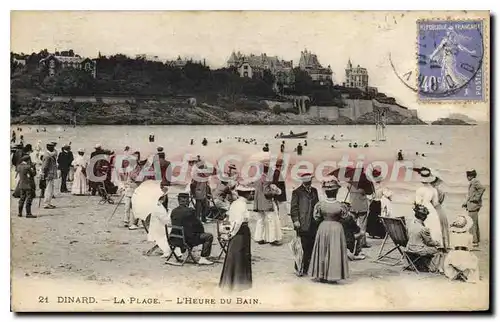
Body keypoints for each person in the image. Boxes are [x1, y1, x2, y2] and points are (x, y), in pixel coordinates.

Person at [309, 180, 349, 283]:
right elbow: (345, 218)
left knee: (323, 250)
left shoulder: (320, 205)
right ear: (336, 192)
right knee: (335, 250)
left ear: (326, 192)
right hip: (336, 228)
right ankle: (333, 275)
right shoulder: (341, 205)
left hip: (324, 227)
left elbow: (316, 218)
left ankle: (321, 274)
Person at [219, 184, 254, 291]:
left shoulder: (235, 203)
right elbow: (238, 222)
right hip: (240, 232)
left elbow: (228, 218)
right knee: (239, 256)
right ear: (246, 194)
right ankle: (238, 283)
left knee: (234, 255)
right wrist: (231, 234)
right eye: (250, 193)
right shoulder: (242, 205)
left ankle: (230, 281)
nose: (251, 194)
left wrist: (226, 232)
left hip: (236, 231)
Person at [170, 192, 214, 265]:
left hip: (174, 239)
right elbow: (199, 226)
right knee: (208, 236)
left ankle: (185, 254)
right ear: (187, 200)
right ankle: (203, 258)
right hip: (186, 240)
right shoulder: (190, 211)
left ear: (178, 200)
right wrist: (200, 232)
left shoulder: (173, 211)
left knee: (188, 232)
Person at [290, 173, 319, 276]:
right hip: (302, 223)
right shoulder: (297, 192)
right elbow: (294, 208)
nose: (308, 182)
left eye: (310, 180)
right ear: (303, 181)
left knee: (311, 246)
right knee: (301, 247)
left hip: (313, 223)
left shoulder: (315, 191)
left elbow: (317, 205)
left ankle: (307, 268)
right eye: (307, 181)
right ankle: (298, 268)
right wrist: (295, 220)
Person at [443, 215, 480, 283]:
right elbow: (470, 248)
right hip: (464, 257)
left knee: (449, 257)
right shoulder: (469, 236)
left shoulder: (452, 235)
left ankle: (454, 274)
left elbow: (451, 246)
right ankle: (467, 274)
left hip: (454, 257)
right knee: (474, 258)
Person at [406, 204, 440, 272]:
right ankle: (432, 268)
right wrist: (437, 243)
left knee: (427, 247)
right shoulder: (423, 229)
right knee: (437, 250)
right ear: (424, 216)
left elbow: (408, 235)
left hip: (409, 248)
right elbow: (429, 242)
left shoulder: (411, 224)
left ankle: (419, 264)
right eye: (426, 215)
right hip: (418, 250)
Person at [253, 165, 283, 245]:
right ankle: (272, 239)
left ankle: (259, 238)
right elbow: (266, 192)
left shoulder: (258, 179)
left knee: (260, 221)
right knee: (271, 220)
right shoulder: (267, 179)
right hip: (266, 203)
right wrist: (275, 192)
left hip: (258, 204)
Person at [415, 168, 443, 249]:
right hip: (431, 209)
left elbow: (418, 203)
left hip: (421, 210)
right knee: (434, 226)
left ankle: (425, 243)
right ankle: (436, 244)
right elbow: (435, 203)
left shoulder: (419, 190)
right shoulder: (433, 190)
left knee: (423, 227)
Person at [462, 169, 485, 248]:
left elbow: (482, 189)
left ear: (470, 176)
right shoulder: (473, 182)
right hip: (472, 205)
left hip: (473, 205)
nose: (467, 178)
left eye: (468, 176)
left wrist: (476, 198)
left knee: (472, 223)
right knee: (474, 222)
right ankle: (476, 240)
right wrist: (466, 203)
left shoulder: (475, 181)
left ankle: (474, 241)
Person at [430, 173, 449, 251]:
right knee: (443, 227)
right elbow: (440, 202)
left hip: (434, 210)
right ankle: (445, 245)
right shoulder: (441, 191)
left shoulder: (432, 191)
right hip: (440, 210)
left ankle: (437, 245)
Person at [123, 151, 142, 230]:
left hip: (136, 189)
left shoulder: (139, 168)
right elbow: (125, 178)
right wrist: (125, 185)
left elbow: (138, 179)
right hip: (128, 189)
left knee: (134, 207)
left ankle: (134, 222)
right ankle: (126, 221)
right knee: (127, 206)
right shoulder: (128, 168)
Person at [349, 184, 370, 248]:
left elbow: (348, 189)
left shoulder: (351, 182)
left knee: (352, 225)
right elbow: (370, 192)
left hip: (353, 205)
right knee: (362, 225)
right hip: (362, 206)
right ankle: (362, 242)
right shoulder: (365, 182)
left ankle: (351, 241)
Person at [273, 161, 292, 230]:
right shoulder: (277, 173)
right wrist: (278, 193)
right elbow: (275, 185)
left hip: (278, 195)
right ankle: (283, 225)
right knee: (283, 210)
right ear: (280, 166)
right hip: (280, 196)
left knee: (279, 210)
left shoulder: (276, 172)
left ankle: (280, 225)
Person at [366, 174, 386, 239]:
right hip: (378, 203)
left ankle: (372, 233)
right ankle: (379, 233)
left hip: (373, 202)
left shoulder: (373, 187)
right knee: (377, 218)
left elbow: (370, 197)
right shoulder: (382, 187)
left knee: (372, 218)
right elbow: (387, 195)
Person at [41, 142, 58, 209]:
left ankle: (48, 202)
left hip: (49, 174)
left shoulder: (48, 154)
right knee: (49, 189)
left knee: (49, 189)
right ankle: (46, 203)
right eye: (53, 147)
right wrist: (44, 175)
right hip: (49, 174)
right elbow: (45, 167)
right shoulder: (48, 156)